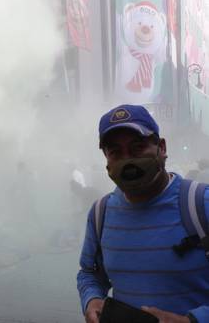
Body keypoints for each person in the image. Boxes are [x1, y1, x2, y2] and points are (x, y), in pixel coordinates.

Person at [77, 104, 209, 323]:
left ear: (162, 147)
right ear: (107, 159)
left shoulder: (201, 204)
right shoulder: (101, 212)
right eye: (115, 152)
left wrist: (191, 321)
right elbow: (89, 273)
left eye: (137, 148)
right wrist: (91, 300)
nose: (127, 160)